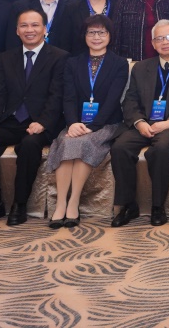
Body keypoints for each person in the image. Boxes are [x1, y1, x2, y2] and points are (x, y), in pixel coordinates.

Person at [0, 8, 67, 227]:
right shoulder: (6, 58)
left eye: (35, 25)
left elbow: (57, 95)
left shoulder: (59, 57)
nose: (29, 30)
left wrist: (43, 122)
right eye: (24, 25)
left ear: (45, 29)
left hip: (41, 121)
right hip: (12, 119)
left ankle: (19, 204)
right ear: (17, 31)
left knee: (29, 145)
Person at [46, 14, 129, 229]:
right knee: (67, 141)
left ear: (110, 36)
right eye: (91, 32)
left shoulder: (119, 64)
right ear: (84, 36)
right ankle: (61, 204)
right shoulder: (72, 63)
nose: (96, 37)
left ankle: (73, 202)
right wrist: (73, 123)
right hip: (76, 123)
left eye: (102, 32)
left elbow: (113, 99)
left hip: (107, 122)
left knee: (83, 142)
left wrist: (93, 126)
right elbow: (68, 97)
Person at [111, 20, 169, 227]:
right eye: (159, 38)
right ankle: (128, 205)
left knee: (162, 148)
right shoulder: (141, 67)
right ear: (153, 43)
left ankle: (158, 206)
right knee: (120, 147)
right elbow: (130, 100)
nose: (165, 42)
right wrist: (139, 122)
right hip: (145, 123)